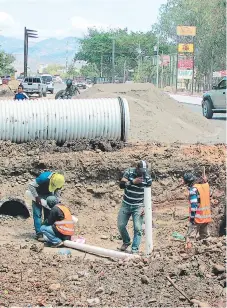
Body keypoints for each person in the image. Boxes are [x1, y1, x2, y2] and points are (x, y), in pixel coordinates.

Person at [118, 160, 152, 254]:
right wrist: (133, 182)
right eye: (140, 172)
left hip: (138, 206)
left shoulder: (148, 178)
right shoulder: (129, 172)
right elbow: (121, 185)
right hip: (126, 204)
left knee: (138, 228)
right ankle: (126, 241)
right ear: (136, 168)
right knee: (121, 225)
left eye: (144, 172)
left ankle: (134, 249)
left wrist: (145, 207)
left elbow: (148, 195)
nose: (142, 174)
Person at [28, 171, 65, 240]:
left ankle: (46, 232)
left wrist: (57, 202)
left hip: (49, 195)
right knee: (37, 214)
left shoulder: (59, 182)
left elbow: (57, 192)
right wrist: (36, 197)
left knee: (49, 214)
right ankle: (39, 234)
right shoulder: (43, 178)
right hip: (38, 194)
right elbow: (31, 185)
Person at [183, 172, 212, 240]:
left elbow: (194, 205)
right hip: (206, 217)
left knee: (190, 238)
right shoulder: (205, 186)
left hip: (197, 218)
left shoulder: (193, 189)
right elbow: (209, 193)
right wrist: (205, 181)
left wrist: (192, 219)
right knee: (205, 237)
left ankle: (190, 250)